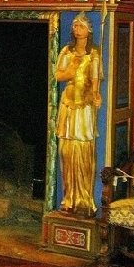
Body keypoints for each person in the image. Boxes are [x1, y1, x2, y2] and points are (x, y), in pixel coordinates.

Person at [54, 12, 102, 217]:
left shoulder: (94, 54)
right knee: (66, 151)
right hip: (68, 105)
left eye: (80, 26)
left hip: (84, 108)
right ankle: (68, 198)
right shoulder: (66, 51)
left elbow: (95, 81)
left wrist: (96, 96)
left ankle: (83, 198)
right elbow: (58, 75)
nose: (76, 30)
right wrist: (71, 69)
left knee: (83, 152)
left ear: (89, 30)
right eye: (74, 26)